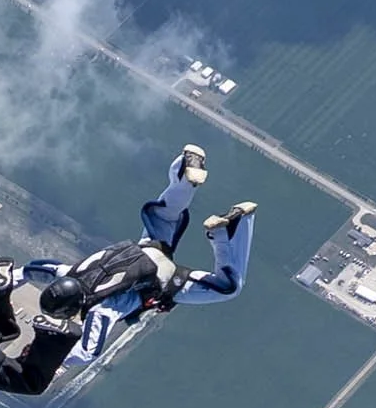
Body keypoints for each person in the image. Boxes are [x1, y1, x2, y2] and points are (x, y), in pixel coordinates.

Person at [22, 144, 257, 362]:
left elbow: (88, 352)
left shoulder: (101, 310)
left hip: (165, 282)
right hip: (147, 249)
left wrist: (48, 360)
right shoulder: (71, 273)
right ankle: (185, 171)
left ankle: (228, 231)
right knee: (166, 214)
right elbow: (41, 269)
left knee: (229, 287)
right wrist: (11, 277)